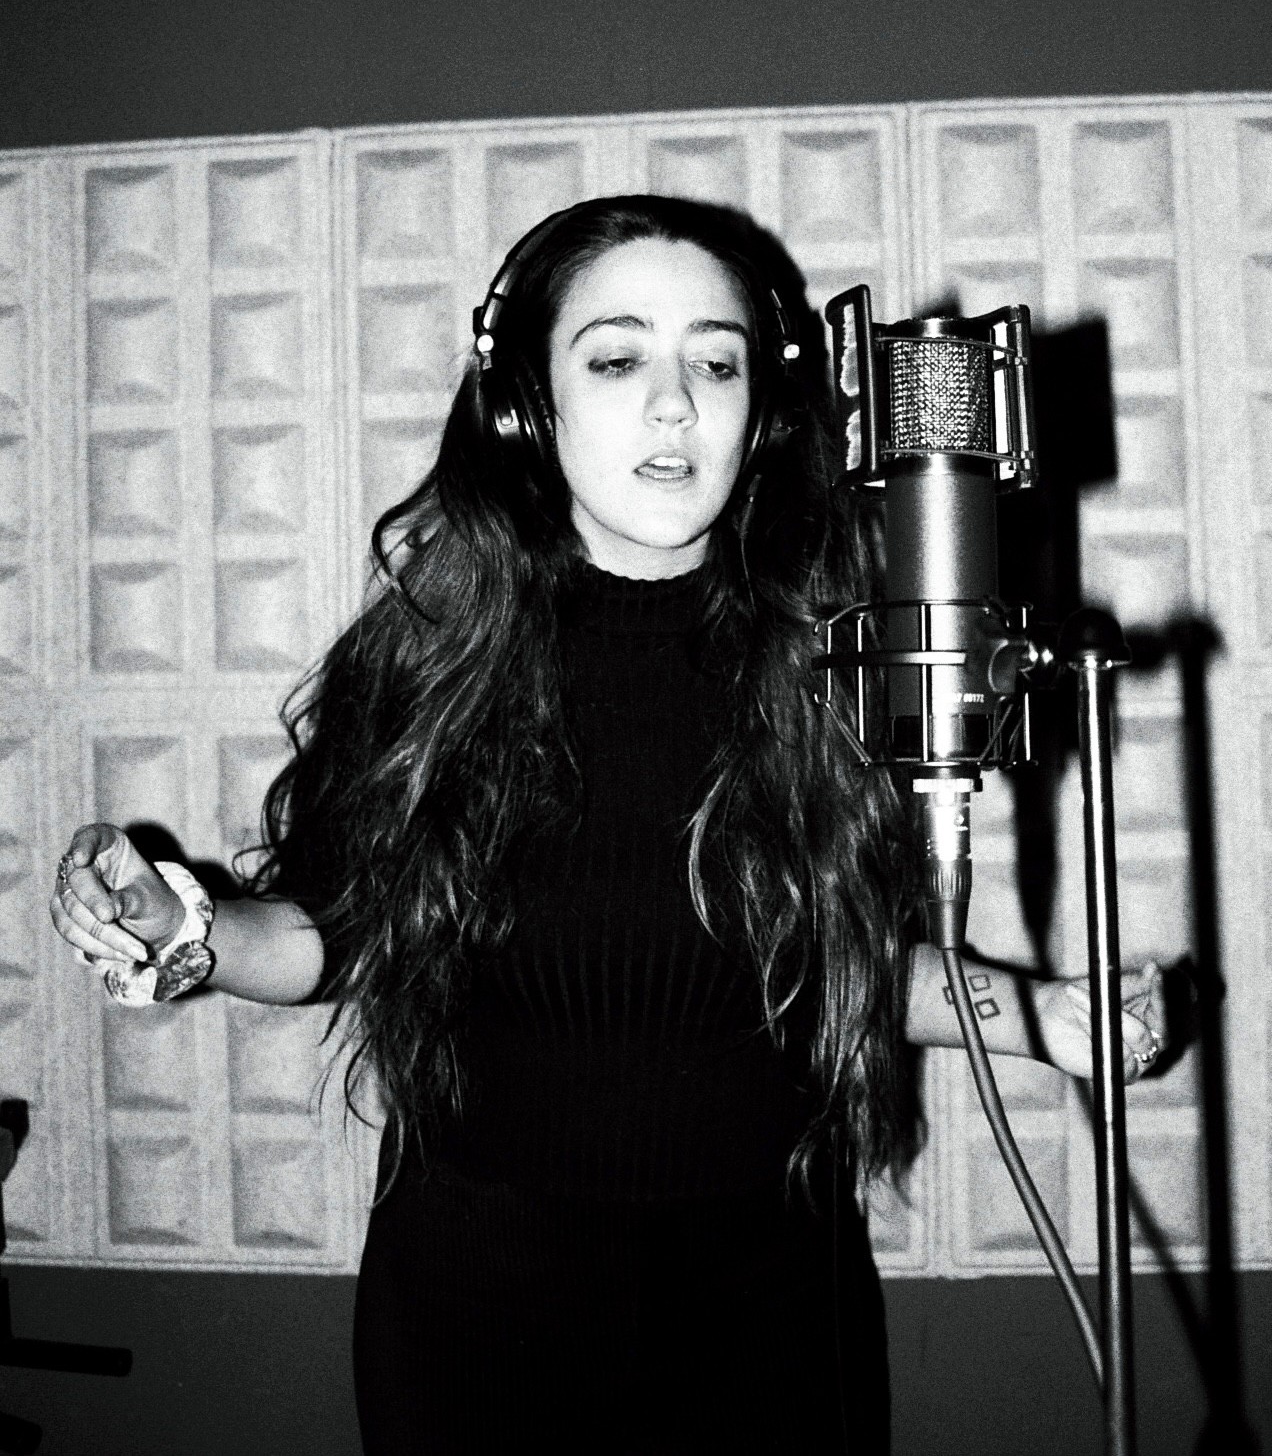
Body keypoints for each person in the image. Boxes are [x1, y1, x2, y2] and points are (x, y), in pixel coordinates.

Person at [49, 195, 1165, 1454]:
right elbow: (328, 939)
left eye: (717, 360)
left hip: (773, 1290)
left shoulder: (841, 664)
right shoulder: (433, 662)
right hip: (481, 1300)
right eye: (620, 356)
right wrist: (180, 924)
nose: (678, 403)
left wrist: (1049, 1021)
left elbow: (844, 964)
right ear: (531, 404)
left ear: (764, 409)